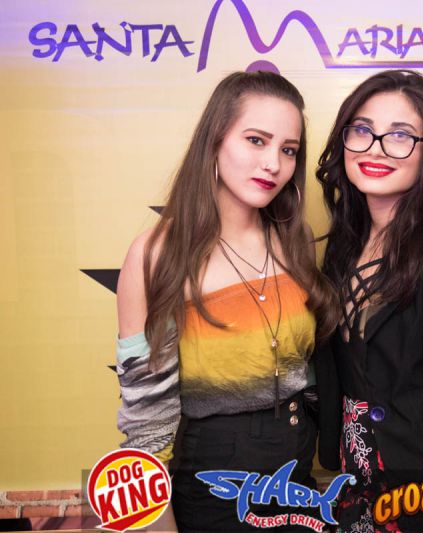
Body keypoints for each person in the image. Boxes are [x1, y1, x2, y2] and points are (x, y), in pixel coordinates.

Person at [115, 71, 338, 531]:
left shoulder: (293, 241)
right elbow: (146, 429)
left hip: (297, 476)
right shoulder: (158, 254)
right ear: (215, 140)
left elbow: (308, 371)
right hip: (215, 486)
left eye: (288, 150)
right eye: (256, 140)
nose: (273, 163)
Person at [314, 70, 423, 532]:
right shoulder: (344, 246)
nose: (375, 148)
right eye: (362, 130)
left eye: (401, 136)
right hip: (356, 482)